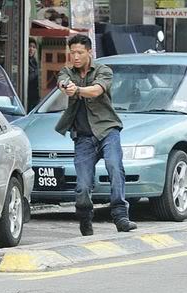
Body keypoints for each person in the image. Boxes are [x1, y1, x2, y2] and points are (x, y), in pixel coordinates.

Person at [54, 34, 137, 236]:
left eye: (79, 52)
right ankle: (84, 218)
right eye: (72, 52)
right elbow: (62, 82)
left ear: (89, 52)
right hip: (83, 136)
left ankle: (120, 216)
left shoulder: (103, 70)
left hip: (107, 130)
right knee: (82, 186)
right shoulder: (67, 71)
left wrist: (78, 89)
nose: (75, 56)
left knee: (115, 168)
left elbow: (97, 90)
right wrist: (66, 86)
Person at [28, 38, 40, 111]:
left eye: (33, 47)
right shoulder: (24, 61)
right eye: (29, 46)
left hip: (35, 97)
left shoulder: (34, 61)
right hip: (27, 97)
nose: (31, 49)